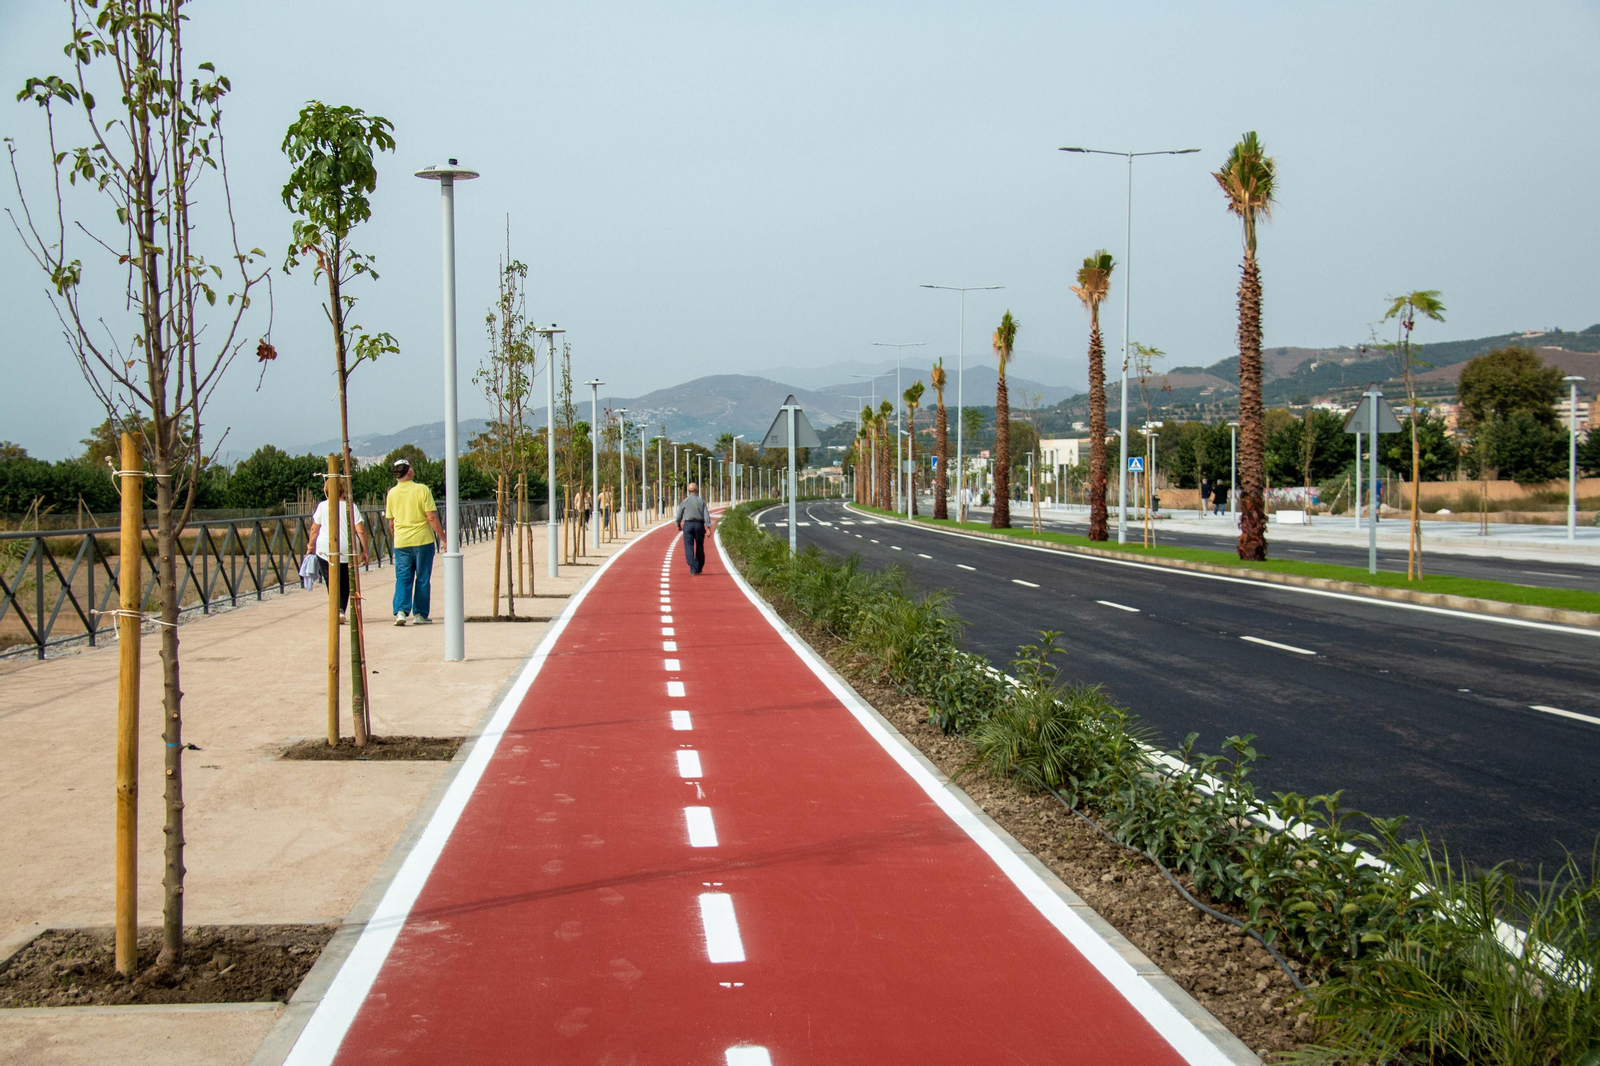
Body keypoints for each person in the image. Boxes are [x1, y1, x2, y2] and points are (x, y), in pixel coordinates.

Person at [385, 458, 445, 626]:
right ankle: (420, 614)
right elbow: (431, 517)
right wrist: (444, 539)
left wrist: (396, 537)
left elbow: (391, 522)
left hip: (402, 542)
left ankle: (401, 612)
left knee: (403, 577)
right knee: (423, 577)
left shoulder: (392, 493)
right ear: (409, 472)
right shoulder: (422, 489)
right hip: (422, 540)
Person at [307, 486, 370, 624]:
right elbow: (360, 530)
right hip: (347, 547)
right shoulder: (350, 506)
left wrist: (310, 545)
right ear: (343, 491)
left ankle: (336, 609)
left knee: (331, 580)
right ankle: (341, 608)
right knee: (346, 580)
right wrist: (365, 550)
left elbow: (314, 529)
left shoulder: (322, 506)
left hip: (326, 549)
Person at [674, 480, 710, 575]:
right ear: (697, 490)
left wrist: (678, 524)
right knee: (699, 546)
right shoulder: (701, 501)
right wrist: (709, 527)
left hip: (688, 525)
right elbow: (706, 514)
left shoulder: (685, 501)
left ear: (688, 491)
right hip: (699, 525)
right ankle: (698, 566)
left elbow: (679, 514)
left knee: (688, 546)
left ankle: (693, 567)